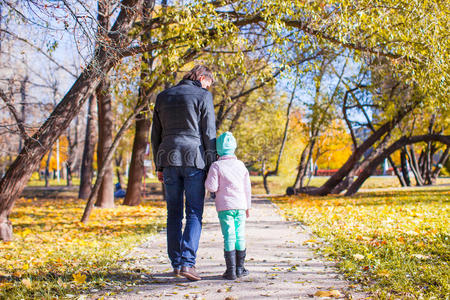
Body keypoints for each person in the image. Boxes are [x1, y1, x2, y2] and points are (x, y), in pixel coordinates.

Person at [150, 65, 217, 281]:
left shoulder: (163, 96)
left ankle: (177, 264)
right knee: (195, 212)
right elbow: (208, 132)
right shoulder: (202, 96)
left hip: (169, 158)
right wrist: (212, 165)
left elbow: (156, 134)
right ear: (200, 76)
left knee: (174, 213)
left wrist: (158, 165)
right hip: (194, 159)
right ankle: (188, 263)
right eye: (209, 83)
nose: (208, 87)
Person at [204, 131, 251, 280]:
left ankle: (230, 271)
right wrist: (248, 206)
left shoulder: (216, 166)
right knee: (240, 235)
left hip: (225, 207)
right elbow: (247, 188)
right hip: (241, 206)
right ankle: (240, 268)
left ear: (218, 149)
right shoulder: (241, 165)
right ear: (234, 147)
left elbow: (211, 187)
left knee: (229, 235)